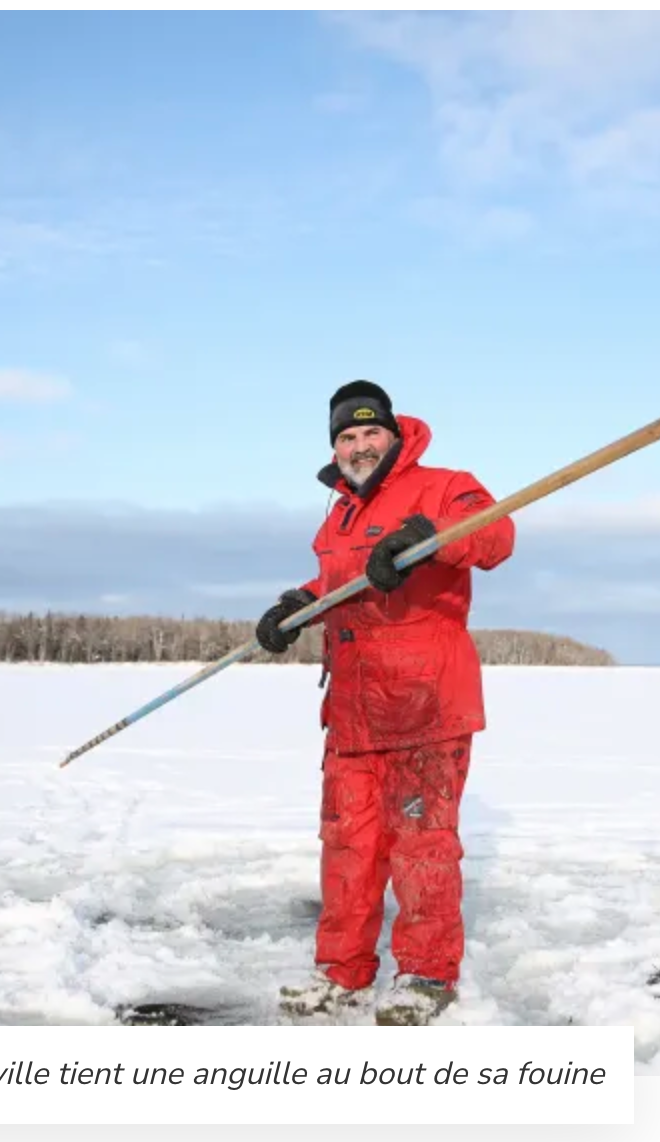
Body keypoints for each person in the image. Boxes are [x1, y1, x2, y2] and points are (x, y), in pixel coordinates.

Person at [254, 379, 516, 1027]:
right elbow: (341, 583)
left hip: (425, 701)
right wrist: (297, 606)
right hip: (352, 706)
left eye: (371, 432)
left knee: (420, 844)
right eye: (347, 435)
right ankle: (342, 972)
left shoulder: (444, 485)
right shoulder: (338, 511)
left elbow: (495, 537)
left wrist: (430, 537)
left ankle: (426, 974)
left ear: (394, 436)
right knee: (349, 844)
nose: (360, 444)